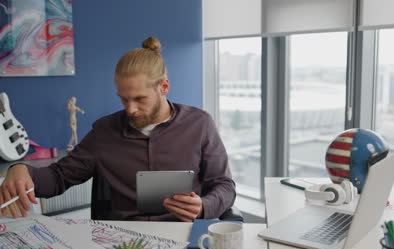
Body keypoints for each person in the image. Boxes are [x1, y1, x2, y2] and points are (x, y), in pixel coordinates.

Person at [0, 36, 236, 221]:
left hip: (185, 234)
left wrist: (205, 206)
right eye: (124, 99)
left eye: (139, 99)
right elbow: (59, 177)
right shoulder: (104, 132)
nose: (130, 109)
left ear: (164, 87)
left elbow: (224, 186)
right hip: (121, 242)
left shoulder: (200, 124)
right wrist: (21, 169)